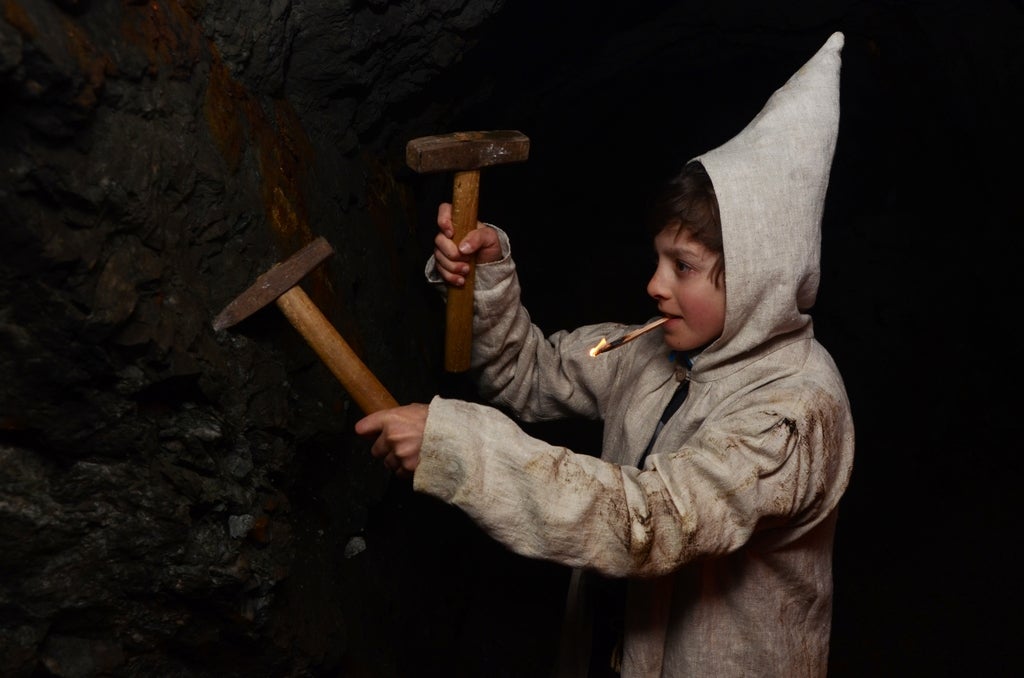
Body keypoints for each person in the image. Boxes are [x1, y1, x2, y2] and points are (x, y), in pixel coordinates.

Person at [356, 32, 854, 677]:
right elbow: (523, 376)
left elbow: (653, 521)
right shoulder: (648, 348)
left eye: (684, 266)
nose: (655, 284)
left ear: (762, 275)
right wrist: (487, 279)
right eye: (658, 259)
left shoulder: (795, 412)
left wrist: (458, 446)